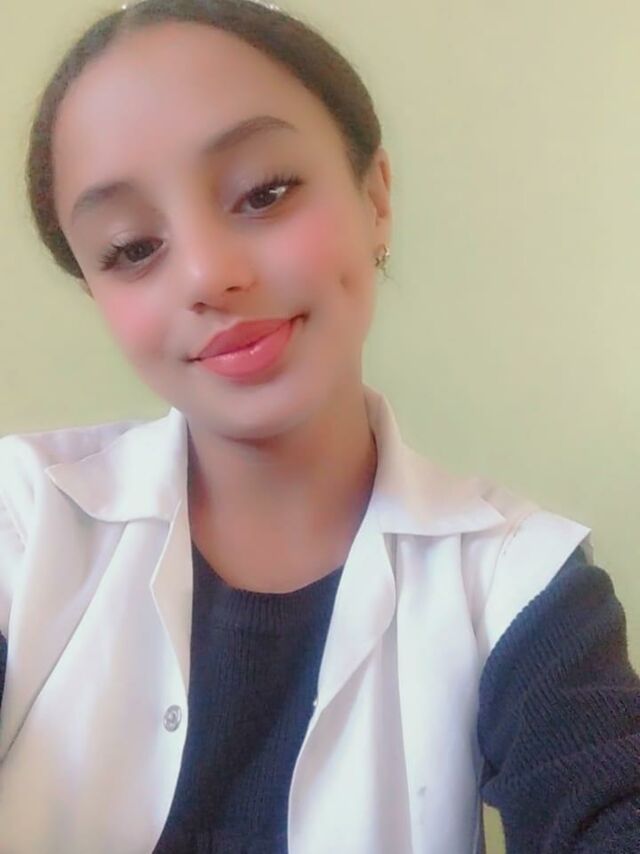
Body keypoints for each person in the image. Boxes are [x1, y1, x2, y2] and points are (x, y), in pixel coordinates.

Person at [0, 1, 638, 851]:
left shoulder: (523, 584)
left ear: (375, 198)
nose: (208, 274)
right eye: (132, 249)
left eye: (264, 193)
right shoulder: (19, 524)